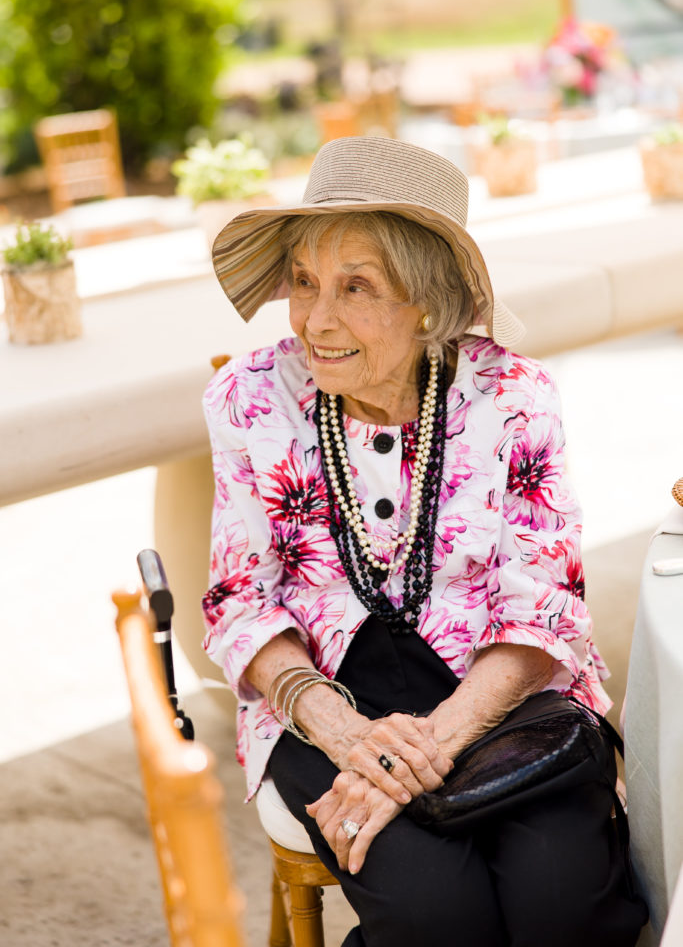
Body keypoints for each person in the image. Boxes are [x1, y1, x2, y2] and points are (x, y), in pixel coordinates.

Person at [201, 136, 647, 946]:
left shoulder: (513, 395)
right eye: (303, 281)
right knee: (437, 915)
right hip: (323, 689)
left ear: (429, 302)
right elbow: (237, 601)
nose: (316, 319)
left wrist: (421, 750)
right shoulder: (249, 396)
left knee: (562, 898)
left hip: (502, 683)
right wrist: (341, 730)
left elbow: (543, 606)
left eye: (356, 286)